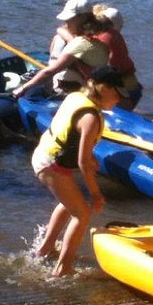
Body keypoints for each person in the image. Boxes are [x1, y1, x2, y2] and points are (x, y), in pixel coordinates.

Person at [30, 65, 128, 276]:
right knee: (82, 213)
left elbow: (73, 138)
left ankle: (45, 249)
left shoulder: (76, 96)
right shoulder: (91, 117)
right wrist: (96, 194)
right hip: (51, 163)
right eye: (117, 94)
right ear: (103, 88)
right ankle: (63, 268)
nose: (119, 100)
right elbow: (83, 163)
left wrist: (90, 157)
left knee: (69, 204)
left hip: (46, 154)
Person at [13, 1, 109, 100]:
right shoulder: (97, 36)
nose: (66, 24)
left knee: (33, 91)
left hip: (84, 92)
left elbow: (49, 72)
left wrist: (23, 88)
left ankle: (53, 90)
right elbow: (61, 30)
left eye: (68, 20)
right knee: (59, 38)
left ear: (82, 18)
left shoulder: (80, 43)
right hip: (93, 87)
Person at [92, 4, 143, 110]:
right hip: (133, 86)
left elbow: (110, 67)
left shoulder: (105, 37)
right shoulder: (116, 36)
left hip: (124, 88)